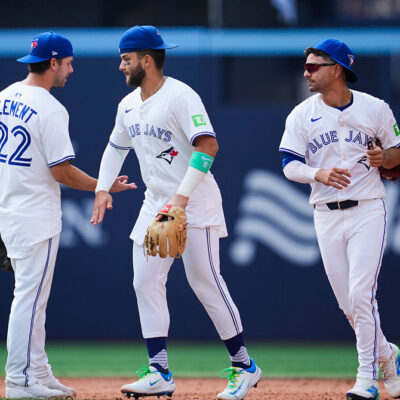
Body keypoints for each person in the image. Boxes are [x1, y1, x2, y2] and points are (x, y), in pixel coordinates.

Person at [91, 25, 261, 400]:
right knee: (144, 282)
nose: (121, 66)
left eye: (127, 59)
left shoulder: (181, 96)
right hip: (155, 202)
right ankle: (159, 371)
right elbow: (115, 148)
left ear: (146, 60)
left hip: (193, 201)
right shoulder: (128, 105)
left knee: (206, 284)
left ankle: (245, 366)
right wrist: (102, 187)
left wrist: (181, 200)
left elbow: (209, 146)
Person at [0, 32, 135, 399]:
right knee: (28, 298)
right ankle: (19, 380)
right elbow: (61, 171)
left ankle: (38, 373)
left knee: (33, 298)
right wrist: (102, 185)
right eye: (69, 63)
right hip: (34, 214)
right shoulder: (49, 107)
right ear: (54, 62)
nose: (71, 70)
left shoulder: (5, 96)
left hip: (11, 210)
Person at [279, 38, 400, 400]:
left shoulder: (374, 108)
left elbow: (396, 154)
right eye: (306, 66)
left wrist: (385, 159)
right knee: (349, 304)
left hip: (367, 207)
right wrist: (318, 174)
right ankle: (388, 357)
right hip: (325, 214)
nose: (307, 72)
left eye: (314, 66)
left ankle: (366, 378)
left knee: (362, 294)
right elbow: (289, 165)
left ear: (337, 69)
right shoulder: (302, 114)